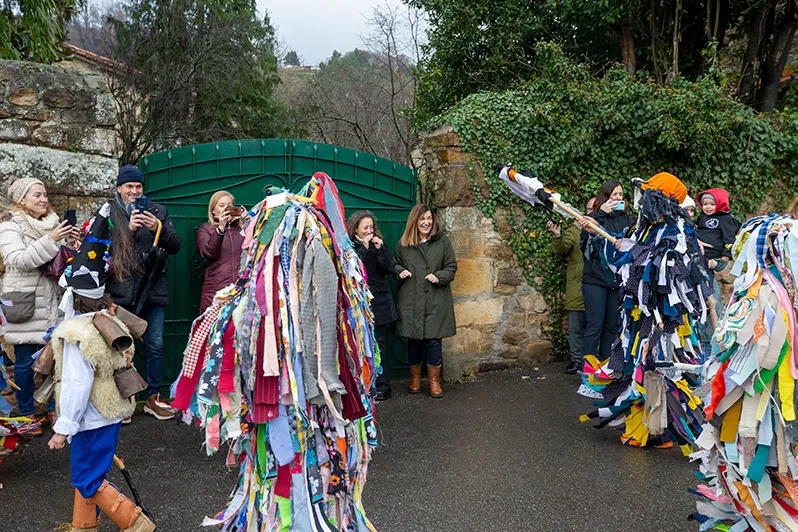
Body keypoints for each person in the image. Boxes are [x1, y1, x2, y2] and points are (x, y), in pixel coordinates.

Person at [48, 202, 156, 532]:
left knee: (86, 476)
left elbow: (77, 385)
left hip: (89, 418)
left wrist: (63, 427)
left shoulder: (76, 334)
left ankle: (135, 523)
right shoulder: (106, 322)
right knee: (92, 472)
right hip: (108, 414)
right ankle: (83, 526)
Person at [0, 177, 80, 435]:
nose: (44, 199)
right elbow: (18, 259)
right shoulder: (9, 225)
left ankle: (55, 409)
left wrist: (69, 244)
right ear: (21, 199)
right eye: (37, 195)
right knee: (24, 361)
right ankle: (26, 415)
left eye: (45, 194)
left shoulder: (54, 224)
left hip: (53, 299)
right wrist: (52, 240)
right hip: (25, 300)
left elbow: (61, 263)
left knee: (58, 359)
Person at [105, 165, 181, 420]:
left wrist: (157, 226)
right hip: (122, 290)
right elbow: (106, 251)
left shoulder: (158, 211)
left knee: (156, 345)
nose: (135, 192)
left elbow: (175, 246)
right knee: (121, 347)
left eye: (138, 187)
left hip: (153, 289)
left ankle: (153, 398)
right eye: (129, 187)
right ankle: (125, 401)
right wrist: (130, 230)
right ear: (119, 188)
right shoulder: (109, 213)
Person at [394, 204, 457, 399]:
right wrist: (399, 271)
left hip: (435, 299)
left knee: (433, 340)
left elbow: (451, 266)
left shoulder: (443, 242)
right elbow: (395, 263)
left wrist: (440, 276)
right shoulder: (404, 244)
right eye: (422, 219)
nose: (426, 222)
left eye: (429, 218)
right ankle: (414, 380)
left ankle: (434, 382)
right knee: (413, 340)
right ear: (415, 221)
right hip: (412, 299)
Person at [577, 179, 635, 362]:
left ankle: (606, 365)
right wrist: (600, 213)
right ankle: (588, 369)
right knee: (594, 325)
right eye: (614, 195)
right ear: (605, 198)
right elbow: (584, 243)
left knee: (611, 326)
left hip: (617, 281)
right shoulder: (594, 218)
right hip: (595, 280)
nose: (618, 198)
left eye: (620, 195)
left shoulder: (629, 219)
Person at [348, 210, 398, 401]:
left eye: (371, 227)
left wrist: (380, 248)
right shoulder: (351, 247)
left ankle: (383, 387)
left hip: (380, 305)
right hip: (359, 305)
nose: (370, 231)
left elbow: (389, 267)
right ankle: (365, 385)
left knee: (380, 346)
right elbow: (359, 270)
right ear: (356, 230)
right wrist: (367, 249)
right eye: (365, 227)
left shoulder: (378, 245)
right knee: (360, 346)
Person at [548, 197, 596, 375]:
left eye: (594, 208)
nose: (591, 211)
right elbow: (562, 249)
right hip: (578, 285)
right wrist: (558, 235)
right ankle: (576, 360)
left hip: (598, 285)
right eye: (589, 209)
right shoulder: (575, 230)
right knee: (576, 327)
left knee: (595, 325)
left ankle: (592, 361)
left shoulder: (603, 229)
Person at [195, 191, 245, 313]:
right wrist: (220, 228)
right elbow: (208, 253)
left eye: (229, 205)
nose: (226, 209)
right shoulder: (205, 229)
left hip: (240, 290)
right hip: (215, 291)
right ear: (213, 210)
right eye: (221, 205)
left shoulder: (241, 230)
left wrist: (248, 224)